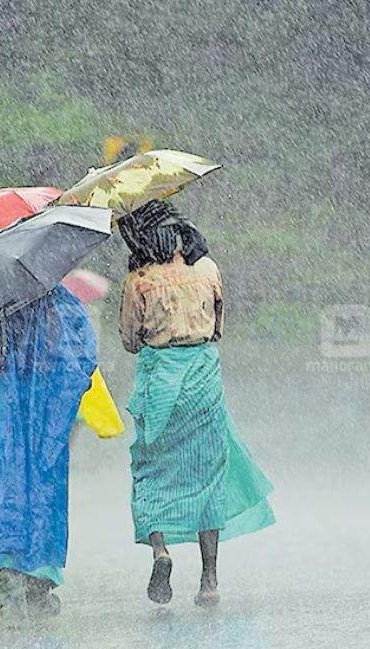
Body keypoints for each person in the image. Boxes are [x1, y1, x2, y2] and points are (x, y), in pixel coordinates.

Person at [118, 199, 275, 607]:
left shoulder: (140, 279)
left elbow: (130, 340)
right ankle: (209, 579)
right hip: (203, 382)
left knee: (151, 472)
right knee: (209, 474)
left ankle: (161, 551)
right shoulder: (208, 269)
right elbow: (217, 329)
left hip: (159, 385)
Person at [0, 285, 104, 617]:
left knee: (2, 492)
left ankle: (9, 580)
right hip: (45, 410)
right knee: (42, 493)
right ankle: (40, 583)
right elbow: (81, 355)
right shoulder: (55, 299)